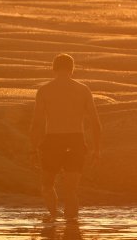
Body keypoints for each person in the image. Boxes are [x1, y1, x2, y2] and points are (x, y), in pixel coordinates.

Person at [30, 53, 102, 221]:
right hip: (75, 140)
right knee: (71, 190)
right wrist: (97, 150)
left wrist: (32, 149)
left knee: (47, 185)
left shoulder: (45, 90)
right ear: (72, 69)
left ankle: (54, 218)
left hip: (53, 140)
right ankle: (72, 230)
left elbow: (37, 124)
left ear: (53, 69)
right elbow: (95, 123)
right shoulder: (83, 89)